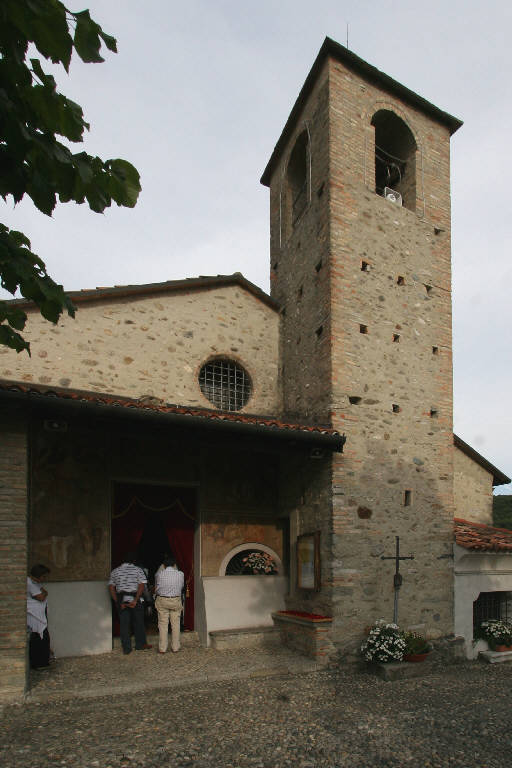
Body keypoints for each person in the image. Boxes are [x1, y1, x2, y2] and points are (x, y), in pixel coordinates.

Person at [108, 552, 152, 655]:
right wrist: (136, 600)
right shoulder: (138, 570)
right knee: (139, 623)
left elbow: (111, 588)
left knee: (124, 625)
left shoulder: (115, 571)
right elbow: (141, 585)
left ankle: (126, 648)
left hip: (122, 600)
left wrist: (117, 601)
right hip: (135, 599)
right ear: (134, 561)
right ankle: (140, 644)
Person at [154, 555, 184, 654]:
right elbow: (181, 586)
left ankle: (162, 648)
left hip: (162, 600)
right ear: (174, 564)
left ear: (164, 565)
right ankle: (175, 647)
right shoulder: (180, 574)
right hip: (175, 600)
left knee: (163, 625)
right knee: (175, 624)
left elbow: (157, 588)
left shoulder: (159, 574)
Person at [27, 564, 51, 670]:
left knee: (43, 637)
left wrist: (44, 593)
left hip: (39, 612)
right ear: (38, 575)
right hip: (34, 614)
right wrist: (44, 594)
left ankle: (43, 662)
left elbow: (45, 591)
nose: (44, 579)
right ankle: (39, 663)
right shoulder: (29, 583)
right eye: (44, 576)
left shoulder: (34, 583)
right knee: (39, 637)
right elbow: (41, 596)